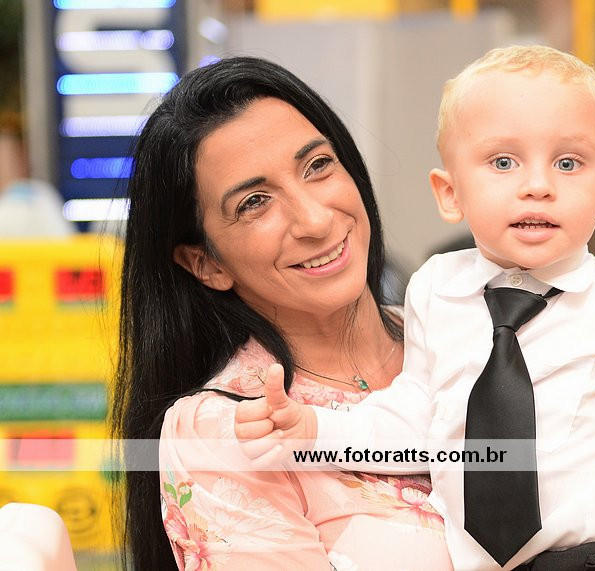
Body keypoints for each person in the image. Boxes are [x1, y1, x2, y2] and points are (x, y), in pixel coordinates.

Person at [235, 45, 595, 570]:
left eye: (568, 162)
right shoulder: (435, 292)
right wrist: (317, 432)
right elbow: (418, 417)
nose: (537, 186)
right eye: (503, 161)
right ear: (450, 193)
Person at [110, 57, 453, 570]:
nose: (314, 220)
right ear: (206, 263)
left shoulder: (463, 333)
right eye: (254, 202)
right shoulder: (231, 430)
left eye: (317, 165)